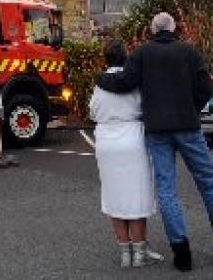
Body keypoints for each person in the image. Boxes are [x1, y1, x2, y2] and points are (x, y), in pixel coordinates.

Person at [96, 12, 213, 272]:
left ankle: (182, 253)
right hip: (188, 126)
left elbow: (124, 82)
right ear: (174, 27)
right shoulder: (189, 51)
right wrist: (192, 108)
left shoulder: (142, 53)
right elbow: (205, 88)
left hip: (157, 130)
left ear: (153, 29)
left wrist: (99, 78)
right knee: (208, 182)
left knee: (167, 189)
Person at [89, 40, 163, 269]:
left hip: (106, 142)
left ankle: (125, 253)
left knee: (115, 196)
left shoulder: (100, 83)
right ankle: (140, 252)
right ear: (126, 56)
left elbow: (93, 111)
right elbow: (145, 105)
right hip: (132, 139)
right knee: (137, 196)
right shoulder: (133, 80)